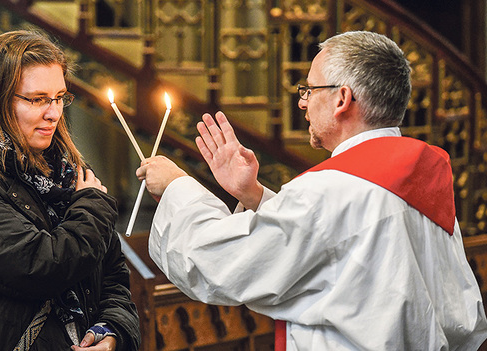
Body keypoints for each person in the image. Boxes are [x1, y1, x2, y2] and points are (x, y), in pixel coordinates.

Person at [136, 31, 487, 350]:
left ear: (341, 99)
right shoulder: (418, 181)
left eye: (309, 90)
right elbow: (462, 319)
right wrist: (255, 196)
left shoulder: (330, 190)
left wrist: (175, 186)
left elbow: (219, 265)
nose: (302, 102)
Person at [0, 30, 140, 350]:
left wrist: (111, 332)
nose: (53, 113)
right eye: (37, 99)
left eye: (59, 98)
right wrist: (92, 206)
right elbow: (40, 266)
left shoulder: (71, 173)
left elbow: (113, 280)